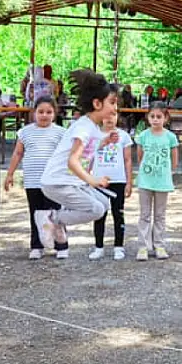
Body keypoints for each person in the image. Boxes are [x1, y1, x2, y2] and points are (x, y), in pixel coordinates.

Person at [37, 70, 120, 259]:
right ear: (97, 104)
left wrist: (104, 142)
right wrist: (93, 180)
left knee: (104, 203)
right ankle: (52, 218)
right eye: (112, 103)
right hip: (57, 183)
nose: (115, 109)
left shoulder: (92, 127)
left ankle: (57, 221)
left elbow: (87, 151)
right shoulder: (83, 127)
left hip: (70, 182)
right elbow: (73, 161)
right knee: (96, 209)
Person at [4, 96, 65, 260]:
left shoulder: (60, 132)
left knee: (55, 213)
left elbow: (66, 155)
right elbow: (18, 153)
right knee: (36, 213)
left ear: (54, 113)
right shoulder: (25, 132)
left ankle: (61, 245)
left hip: (53, 181)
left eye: (49, 112)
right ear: (34, 113)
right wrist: (10, 173)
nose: (44, 115)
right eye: (41, 112)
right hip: (32, 180)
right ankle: (37, 245)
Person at [134, 102, 180, 260]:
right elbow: (140, 157)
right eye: (152, 116)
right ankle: (143, 246)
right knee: (144, 214)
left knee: (160, 215)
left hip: (162, 181)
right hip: (145, 181)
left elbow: (174, 157)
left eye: (159, 116)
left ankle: (159, 245)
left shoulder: (170, 137)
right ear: (148, 117)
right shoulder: (143, 136)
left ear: (165, 118)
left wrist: (171, 171)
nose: (155, 119)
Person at [90, 110, 133, 260]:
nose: (109, 119)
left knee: (118, 214)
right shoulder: (93, 135)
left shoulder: (124, 136)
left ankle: (119, 246)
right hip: (98, 181)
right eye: (106, 116)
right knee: (99, 214)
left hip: (118, 181)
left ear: (117, 117)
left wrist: (129, 181)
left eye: (113, 115)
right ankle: (98, 247)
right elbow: (88, 157)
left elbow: (128, 160)